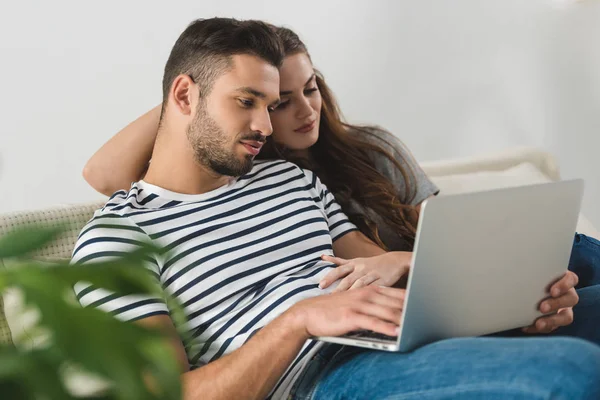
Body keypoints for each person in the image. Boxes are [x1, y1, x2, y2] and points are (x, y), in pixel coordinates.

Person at [73, 17, 600, 400]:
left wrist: (507, 312)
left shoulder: (290, 177)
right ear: (184, 97)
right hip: (321, 375)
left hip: (402, 337)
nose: (263, 126)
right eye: (246, 101)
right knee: (570, 374)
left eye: (269, 102)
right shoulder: (116, 239)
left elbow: (386, 276)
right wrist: (298, 321)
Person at [83, 25, 600, 292]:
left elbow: (439, 236)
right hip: (403, 297)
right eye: (273, 100)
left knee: (570, 255)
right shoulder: (254, 167)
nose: (304, 110)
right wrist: (206, 78)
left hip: (437, 276)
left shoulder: (366, 150)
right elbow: (104, 174)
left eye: (311, 88)